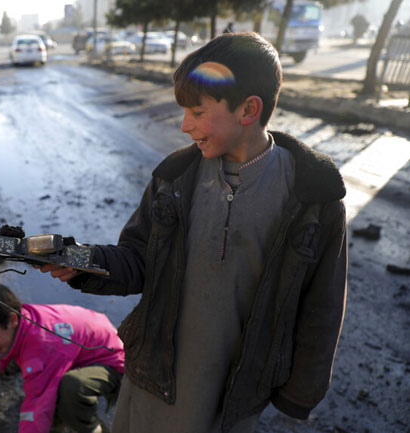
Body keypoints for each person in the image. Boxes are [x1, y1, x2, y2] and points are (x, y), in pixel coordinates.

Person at [39, 32, 348, 433]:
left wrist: (301, 391)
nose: (185, 125)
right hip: (153, 374)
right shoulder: (175, 178)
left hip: (233, 392)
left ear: (248, 109)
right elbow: (136, 259)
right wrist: (77, 259)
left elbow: (323, 305)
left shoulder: (313, 199)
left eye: (198, 113)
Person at [0, 282, 125, 433]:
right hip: (82, 342)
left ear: (12, 320)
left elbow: (37, 404)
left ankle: (93, 429)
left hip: (114, 362)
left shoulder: (43, 347)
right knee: (32, 363)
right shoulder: (24, 318)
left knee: (68, 388)